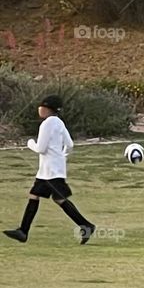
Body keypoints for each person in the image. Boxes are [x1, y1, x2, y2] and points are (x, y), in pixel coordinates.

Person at [3, 95, 96, 244]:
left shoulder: (47, 124)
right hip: (52, 169)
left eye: (41, 106)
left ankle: (23, 231)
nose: (39, 109)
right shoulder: (59, 123)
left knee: (48, 197)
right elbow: (70, 144)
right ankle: (23, 231)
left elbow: (40, 148)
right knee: (50, 197)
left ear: (47, 109)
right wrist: (61, 157)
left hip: (49, 171)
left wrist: (30, 143)